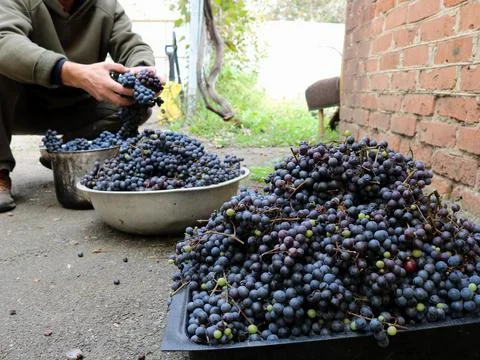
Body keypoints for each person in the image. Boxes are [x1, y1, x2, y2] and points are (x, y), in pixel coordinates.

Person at [0, 0, 159, 212]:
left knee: (131, 103)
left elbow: (131, 44)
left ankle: (68, 153)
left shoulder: (106, 6)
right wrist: (74, 74)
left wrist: (143, 72)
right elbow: (4, 40)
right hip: (17, 106)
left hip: (77, 107)